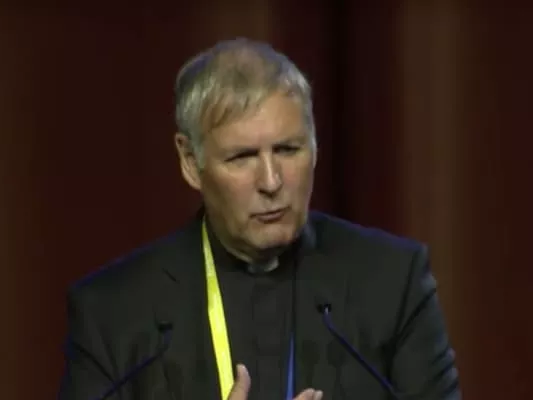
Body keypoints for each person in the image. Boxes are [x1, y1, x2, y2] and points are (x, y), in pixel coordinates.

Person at [59, 38, 461, 400]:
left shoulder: (392, 282)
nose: (271, 182)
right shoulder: (114, 313)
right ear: (190, 162)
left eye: (288, 150)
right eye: (242, 157)